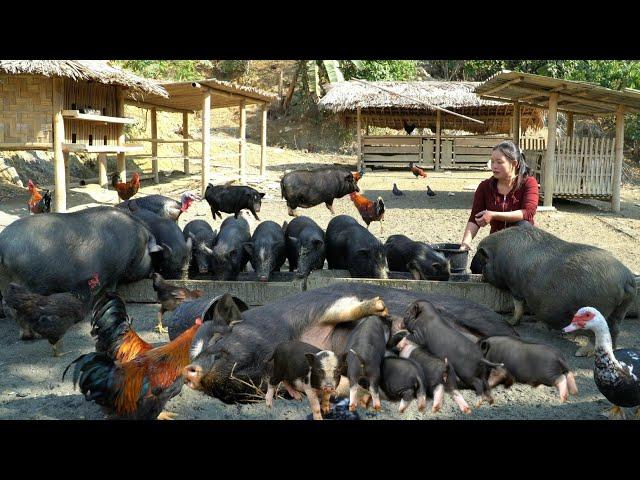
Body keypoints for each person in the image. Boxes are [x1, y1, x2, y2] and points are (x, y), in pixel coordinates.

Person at [460, 140, 539, 251]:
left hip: (524, 245)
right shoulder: (485, 187)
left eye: (499, 162)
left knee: (524, 224)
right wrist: (465, 242)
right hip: (497, 243)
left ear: (514, 164)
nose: (494, 166)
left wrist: (494, 215)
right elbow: (475, 218)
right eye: (492, 162)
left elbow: (528, 213)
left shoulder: (529, 183)